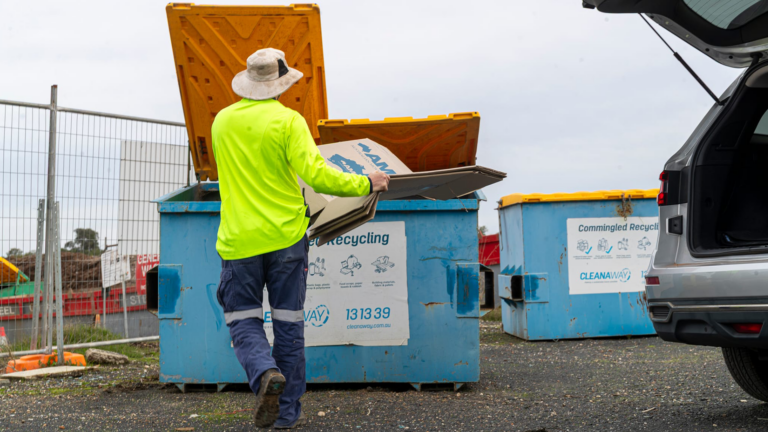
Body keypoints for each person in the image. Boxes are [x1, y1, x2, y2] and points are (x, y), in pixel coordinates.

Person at [212, 48, 390, 429]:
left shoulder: (221, 122)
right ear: (280, 85)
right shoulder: (288, 122)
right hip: (286, 241)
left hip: (239, 241)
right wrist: (366, 181)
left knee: (242, 319)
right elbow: (320, 176)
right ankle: (286, 415)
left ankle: (263, 374)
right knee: (289, 325)